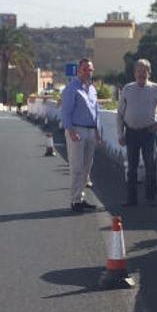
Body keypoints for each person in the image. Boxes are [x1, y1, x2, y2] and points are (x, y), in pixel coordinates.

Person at [116, 59, 157, 206]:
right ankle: (131, 199)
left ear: (149, 73)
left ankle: (150, 198)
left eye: (144, 71)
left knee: (151, 166)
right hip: (131, 133)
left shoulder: (156, 89)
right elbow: (119, 114)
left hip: (148, 133)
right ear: (134, 73)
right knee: (132, 167)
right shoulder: (128, 89)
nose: (141, 74)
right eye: (138, 71)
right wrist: (120, 134)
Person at [60, 58, 101, 213]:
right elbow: (65, 111)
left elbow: (96, 111)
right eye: (84, 69)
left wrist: (97, 131)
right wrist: (70, 130)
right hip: (77, 129)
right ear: (78, 71)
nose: (87, 72)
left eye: (90, 69)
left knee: (86, 167)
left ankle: (81, 197)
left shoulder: (92, 89)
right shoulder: (72, 89)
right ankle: (75, 200)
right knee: (77, 166)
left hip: (91, 130)